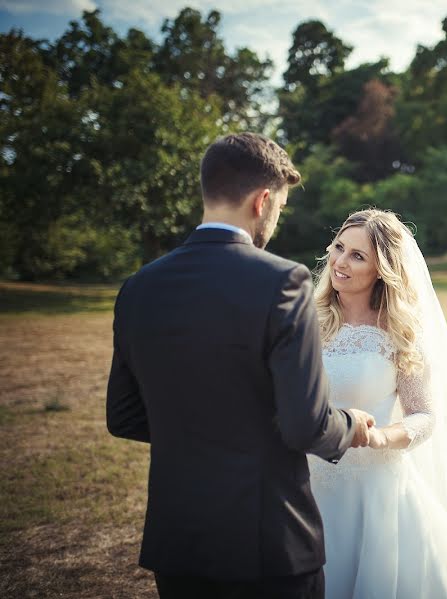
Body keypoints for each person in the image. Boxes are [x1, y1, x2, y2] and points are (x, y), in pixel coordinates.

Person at [106, 132, 375, 599]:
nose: (276, 219)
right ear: (263, 200)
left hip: (179, 542)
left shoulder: (138, 288)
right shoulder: (282, 281)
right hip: (267, 541)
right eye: (280, 207)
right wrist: (351, 423)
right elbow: (305, 426)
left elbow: (125, 417)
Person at [308, 208, 447, 598]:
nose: (339, 262)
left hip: (375, 490)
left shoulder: (399, 332)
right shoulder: (305, 320)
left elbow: (424, 414)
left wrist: (384, 437)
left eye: (358, 256)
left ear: (382, 269)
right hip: (308, 486)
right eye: (339, 247)